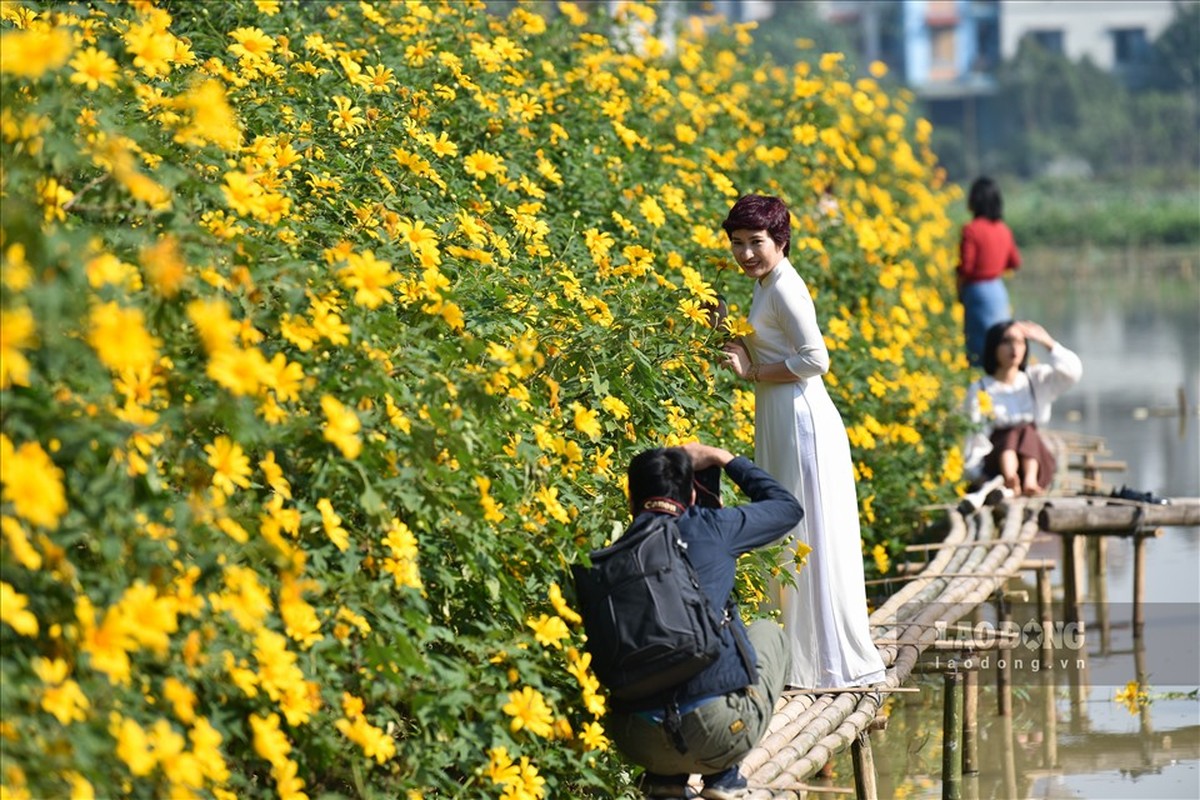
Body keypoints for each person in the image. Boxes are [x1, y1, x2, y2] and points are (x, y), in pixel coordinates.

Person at [719, 194, 886, 691]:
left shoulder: (786, 287)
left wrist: (751, 372)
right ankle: (798, 657)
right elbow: (772, 347)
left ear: (782, 241)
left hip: (799, 416)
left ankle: (824, 664)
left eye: (757, 243)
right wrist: (727, 330)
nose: (746, 254)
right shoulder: (767, 284)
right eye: (738, 244)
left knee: (804, 530)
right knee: (790, 532)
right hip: (781, 411)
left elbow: (816, 359)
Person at [607, 441, 802, 800]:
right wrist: (724, 459)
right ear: (693, 497)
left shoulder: (612, 555)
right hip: (717, 735)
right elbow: (788, 508)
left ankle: (664, 778)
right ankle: (723, 777)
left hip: (634, 738)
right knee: (767, 632)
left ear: (632, 501)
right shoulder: (714, 527)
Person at [963, 320, 1083, 496]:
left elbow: (1073, 373)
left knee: (1026, 430)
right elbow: (975, 438)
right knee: (1010, 433)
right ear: (993, 346)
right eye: (1006, 342)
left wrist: (1047, 342)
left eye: (1019, 342)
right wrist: (976, 475)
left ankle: (1030, 481)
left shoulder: (1034, 379)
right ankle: (1011, 478)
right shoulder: (980, 388)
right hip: (996, 470)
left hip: (1036, 461)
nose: (1014, 348)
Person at [958, 176, 1022, 367]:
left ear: (974, 201)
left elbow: (967, 267)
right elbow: (1015, 262)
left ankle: (981, 391)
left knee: (980, 347)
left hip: (977, 291)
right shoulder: (1003, 229)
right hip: (997, 289)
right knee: (1001, 341)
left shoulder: (971, 230)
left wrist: (959, 286)